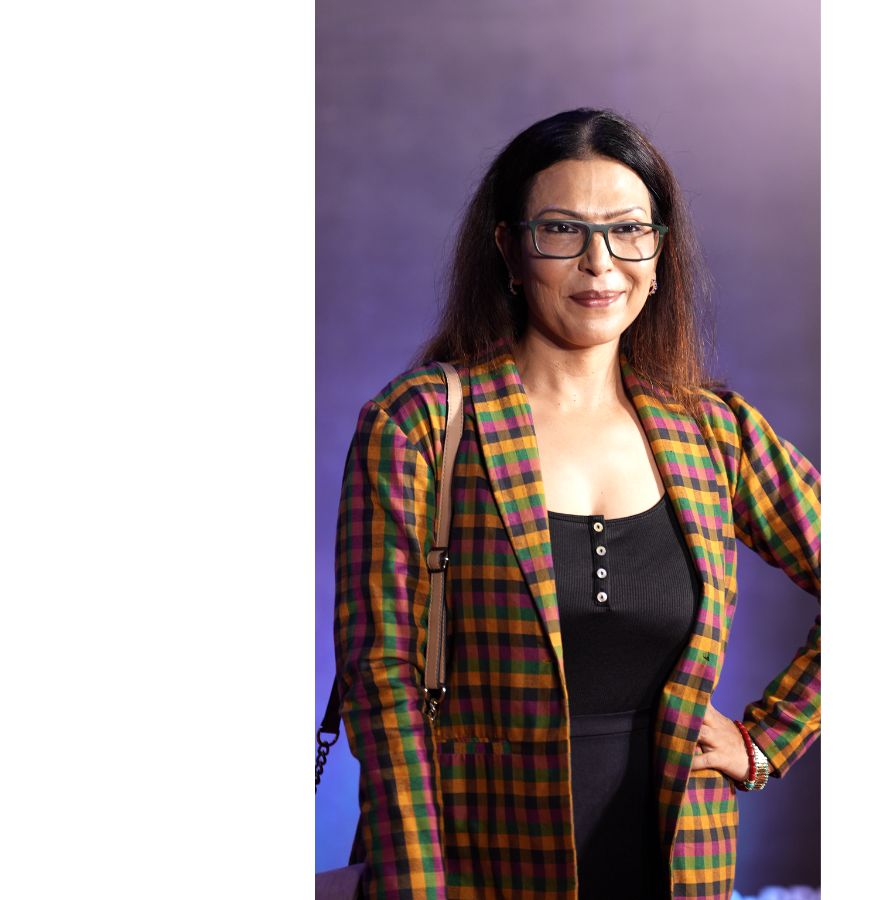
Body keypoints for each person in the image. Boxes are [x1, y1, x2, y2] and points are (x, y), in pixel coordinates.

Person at [333, 108, 820, 899]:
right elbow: (381, 680)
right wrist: (414, 886)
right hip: (481, 864)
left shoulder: (712, 430)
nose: (600, 262)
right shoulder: (421, 423)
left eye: (628, 231)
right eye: (562, 230)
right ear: (509, 249)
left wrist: (767, 742)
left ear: (658, 256)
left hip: (679, 866)